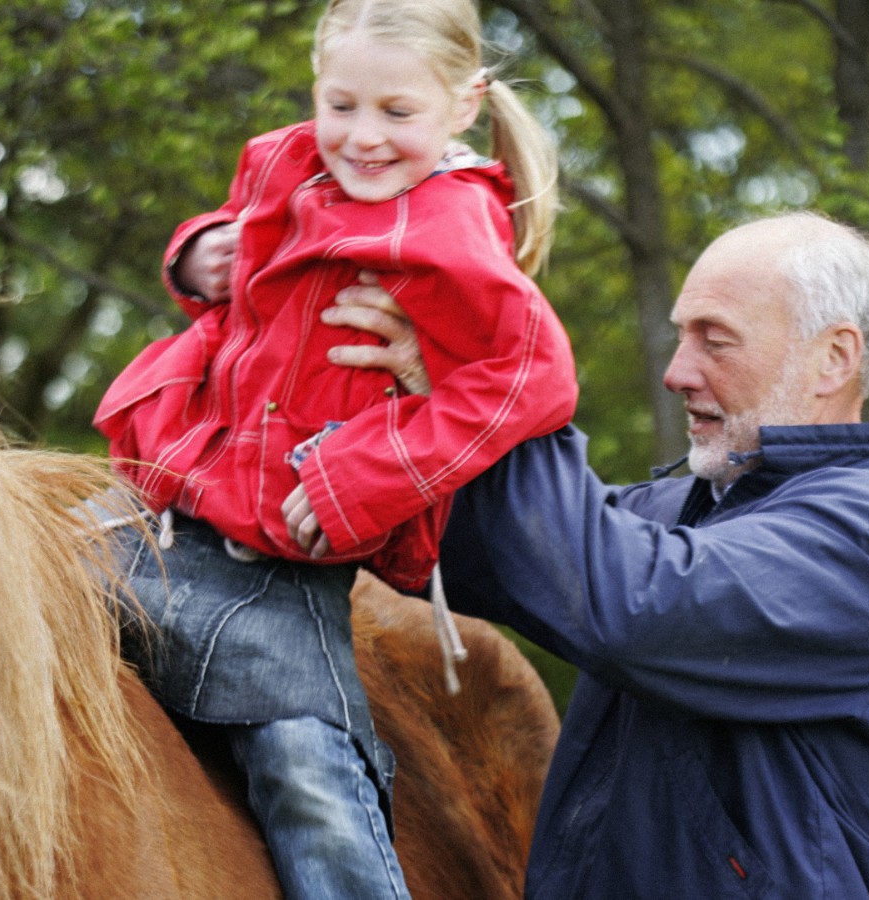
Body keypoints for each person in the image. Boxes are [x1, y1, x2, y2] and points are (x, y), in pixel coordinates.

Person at [329, 211, 869, 898]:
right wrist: (343, 448)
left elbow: (634, 605)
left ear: (834, 359)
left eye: (715, 342)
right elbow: (487, 553)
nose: (676, 371)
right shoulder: (687, 509)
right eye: (680, 336)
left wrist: (488, 391)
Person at [91, 0, 578, 896]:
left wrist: (360, 479)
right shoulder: (286, 160)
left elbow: (526, 379)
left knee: (303, 769)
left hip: (278, 559)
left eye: (398, 114)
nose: (362, 138)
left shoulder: (452, 229)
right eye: (340, 104)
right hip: (159, 502)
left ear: (463, 104)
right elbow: (232, 243)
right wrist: (197, 256)